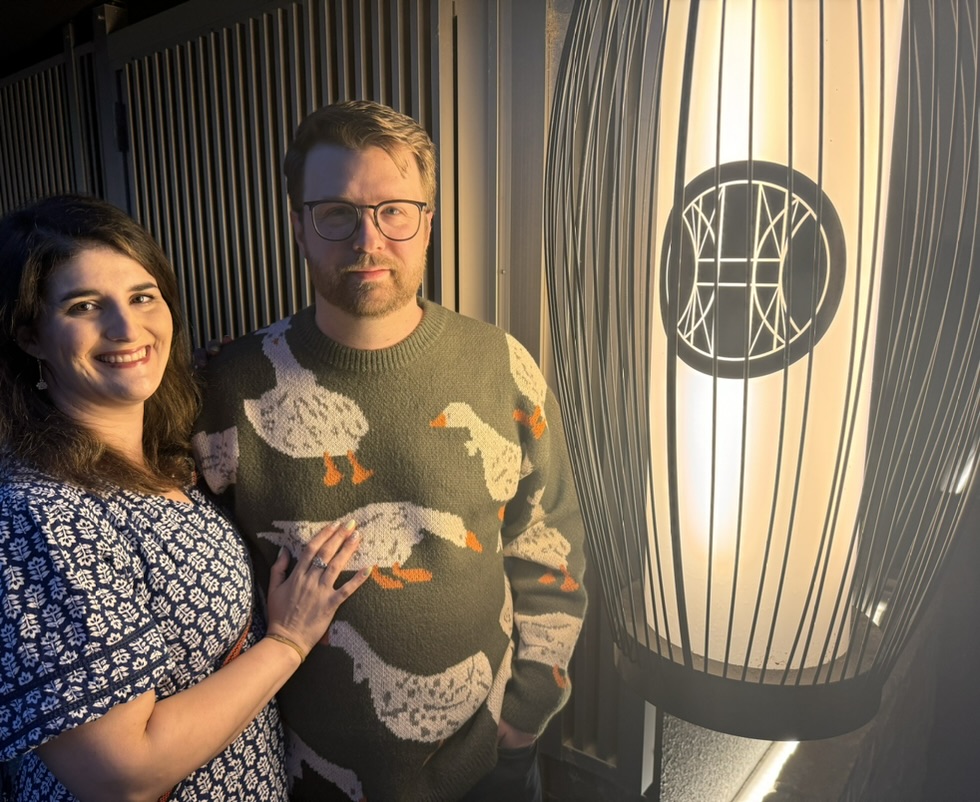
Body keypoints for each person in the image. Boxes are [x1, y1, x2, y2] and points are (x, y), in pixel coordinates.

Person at [192, 99, 588, 801]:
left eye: (395, 211)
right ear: (298, 227)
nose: (367, 241)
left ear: (428, 222)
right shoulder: (226, 386)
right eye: (336, 214)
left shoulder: (500, 364)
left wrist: (528, 712)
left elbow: (546, 539)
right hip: (310, 773)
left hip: (487, 763)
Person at [0, 194, 369, 801]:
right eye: (85, 306)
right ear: (31, 336)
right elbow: (122, 774)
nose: (126, 328)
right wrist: (288, 641)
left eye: (142, 297)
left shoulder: (155, 459)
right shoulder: (39, 511)